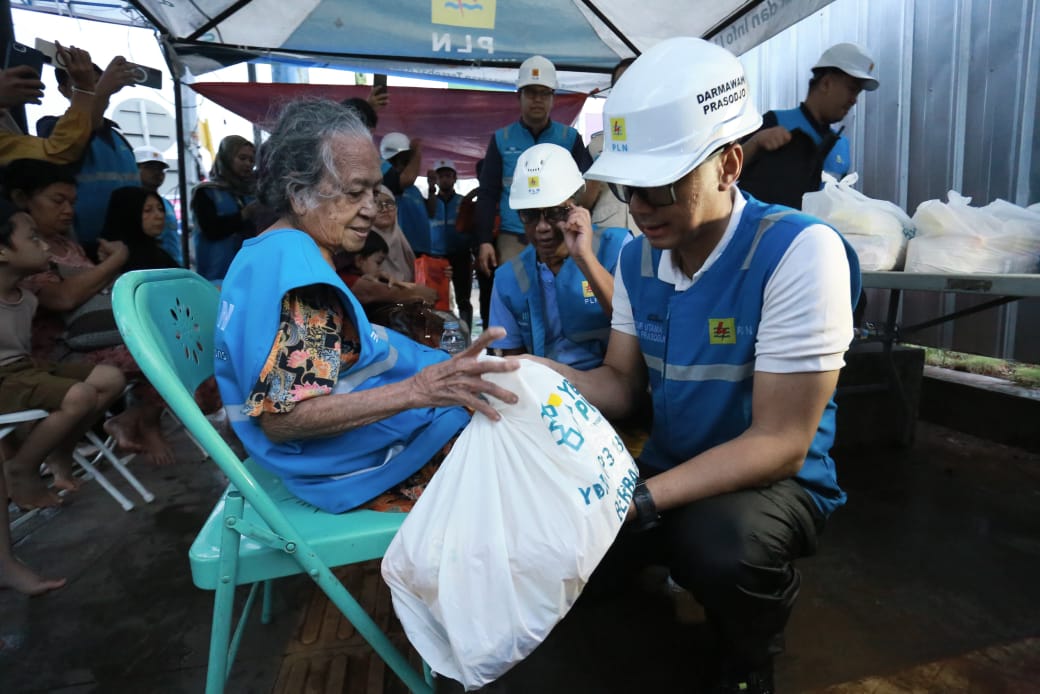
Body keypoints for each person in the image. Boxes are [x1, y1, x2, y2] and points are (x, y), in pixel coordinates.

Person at [534, 38, 861, 693]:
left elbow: (780, 443)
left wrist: (641, 502)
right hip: (672, 468)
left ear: (729, 165)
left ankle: (750, 653)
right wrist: (534, 376)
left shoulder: (798, 254)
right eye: (630, 188)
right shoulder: (635, 259)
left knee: (722, 549)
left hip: (772, 483)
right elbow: (621, 386)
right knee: (568, 562)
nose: (642, 207)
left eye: (662, 186)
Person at [213, 98, 518, 515]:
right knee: (523, 461)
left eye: (375, 191)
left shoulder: (266, 252)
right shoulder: (305, 277)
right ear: (299, 194)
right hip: (356, 466)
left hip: (336, 456)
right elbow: (283, 420)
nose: (372, 209)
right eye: (355, 192)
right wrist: (419, 389)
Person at [7, 159, 176, 467]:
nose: (68, 210)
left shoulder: (67, 246)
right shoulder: (24, 255)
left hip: (99, 339)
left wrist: (102, 270)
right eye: (58, 201)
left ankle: (136, 418)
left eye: (72, 202)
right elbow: (64, 298)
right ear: (21, 199)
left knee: (180, 345)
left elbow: (96, 293)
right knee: (164, 351)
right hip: (64, 350)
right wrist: (115, 261)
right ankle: (139, 421)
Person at [0, 199, 126, 511]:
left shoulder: (27, 298)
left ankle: (60, 450)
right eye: (32, 238)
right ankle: (22, 469)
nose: (44, 245)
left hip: (24, 368)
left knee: (111, 378)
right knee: (79, 395)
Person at [488, 142, 630, 370]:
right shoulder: (509, 278)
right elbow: (511, 363)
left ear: (577, 206)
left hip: (614, 387)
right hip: (548, 395)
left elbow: (633, 324)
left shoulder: (617, 248)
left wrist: (585, 259)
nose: (542, 227)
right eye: (530, 215)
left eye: (554, 213)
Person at [473, 55, 600, 278]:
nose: (537, 100)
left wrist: (575, 220)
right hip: (514, 237)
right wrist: (484, 240)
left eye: (544, 93)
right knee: (516, 295)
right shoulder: (502, 139)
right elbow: (487, 194)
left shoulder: (569, 137)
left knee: (563, 292)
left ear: (553, 98)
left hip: (561, 235)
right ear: (518, 96)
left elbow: (588, 187)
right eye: (531, 93)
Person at [739, 42, 879, 209]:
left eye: (858, 93)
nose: (854, 99)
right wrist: (755, 142)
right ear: (826, 83)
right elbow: (725, 173)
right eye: (851, 89)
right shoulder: (773, 122)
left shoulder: (841, 146)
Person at [36, 60, 139, 259]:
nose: (93, 87)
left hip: (130, 245)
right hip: (83, 251)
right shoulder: (52, 128)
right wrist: (100, 92)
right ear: (63, 89)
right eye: (81, 82)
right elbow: (70, 142)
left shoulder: (119, 137)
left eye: (97, 81)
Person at [0, 43, 115, 166]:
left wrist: (85, 89)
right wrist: (84, 89)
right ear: (62, 89)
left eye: (98, 83)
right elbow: (57, 153)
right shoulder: (49, 124)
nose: (96, 89)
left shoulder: (116, 134)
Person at [190, 134, 259, 281]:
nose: (248, 164)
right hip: (216, 274)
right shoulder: (206, 191)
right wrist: (244, 215)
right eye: (242, 158)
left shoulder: (253, 193)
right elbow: (211, 229)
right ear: (227, 157)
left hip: (248, 273)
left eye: (251, 160)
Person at [424, 159, 473, 327]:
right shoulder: (429, 202)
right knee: (436, 299)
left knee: (463, 299)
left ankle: (466, 338)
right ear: (436, 179)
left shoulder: (463, 202)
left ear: (455, 178)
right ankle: (437, 336)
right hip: (436, 257)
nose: (445, 179)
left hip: (461, 255)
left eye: (448, 175)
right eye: (441, 176)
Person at [100, 186, 179, 272]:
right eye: (148, 210)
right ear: (129, 214)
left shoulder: (159, 256)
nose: (159, 216)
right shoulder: (104, 257)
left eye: (160, 209)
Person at [379, 132, 431, 256]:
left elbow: (430, 212)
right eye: (406, 160)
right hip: (400, 250)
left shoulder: (414, 190)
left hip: (421, 251)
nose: (409, 164)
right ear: (393, 161)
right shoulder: (383, 178)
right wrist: (417, 151)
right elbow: (407, 179)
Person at [133, 145, 182, 264]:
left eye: (160, 169)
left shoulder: (166, 204)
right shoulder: (132, 204)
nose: (157, 172)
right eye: (150, 167)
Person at [585, 131, 639, 235]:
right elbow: (582, 203)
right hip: (607, 227)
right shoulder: (596, 145)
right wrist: (596, 173)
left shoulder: (650, 141)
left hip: (644, 226)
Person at [371, 184, 421, 284]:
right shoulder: (363, 243)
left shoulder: (401, 240)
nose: (384, 209)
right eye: (377, 203)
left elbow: (418, 276)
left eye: (389, 203)